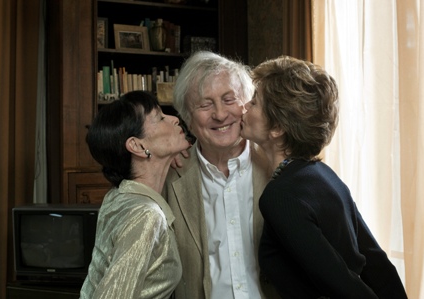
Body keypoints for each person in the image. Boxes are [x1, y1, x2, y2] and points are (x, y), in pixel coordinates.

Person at [240, 56, 408, 299]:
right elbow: (378, 265)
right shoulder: (325, 175)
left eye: (254, 102)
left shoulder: (279, 195)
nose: (244, 107)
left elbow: (342, 285)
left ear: (277, 128)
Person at [162, 51, 280, 299]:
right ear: (188, 118)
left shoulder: (277, 167)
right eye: (205, 104)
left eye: (229, 100)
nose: (219, 114)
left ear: (246, 105)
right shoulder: (169, 178)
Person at [80, 91, 190, 299]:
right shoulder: (145, 214)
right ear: (138, 145)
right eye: (160, 118)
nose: (175, 119)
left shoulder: (118, 195)